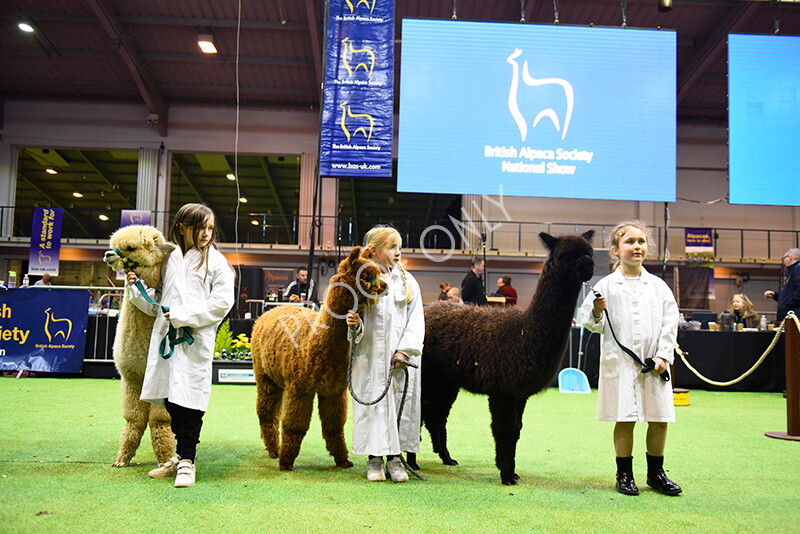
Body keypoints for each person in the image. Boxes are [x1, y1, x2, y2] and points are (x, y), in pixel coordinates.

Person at [127, 203, 235, 488]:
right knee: (169, 398)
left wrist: (183, 316)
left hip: (193, 341)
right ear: (182, 228)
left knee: (191, 399)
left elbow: (223, 302)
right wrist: (136, 289)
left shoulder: (216, 262)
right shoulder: (170, 258)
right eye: (202, 227)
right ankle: (180, 456)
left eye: (211, 228)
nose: (207, 234)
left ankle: (188, 460)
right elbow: (158, 301)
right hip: (166, 339)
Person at [580, 220, 682, 497]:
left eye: (641, 241)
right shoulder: (605, 285)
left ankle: (656, 474)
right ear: (615, 249)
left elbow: (670, 323)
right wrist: (598, 312)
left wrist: (663, 356)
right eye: (630, 242)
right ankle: (624, 474)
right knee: (624, 417)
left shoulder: (659, 286)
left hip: (653, 364)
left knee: (659, 418)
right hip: (620, 364)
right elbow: (588, 320)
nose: (637, 246)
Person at [345, 225, 425, 482]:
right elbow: (358, 319)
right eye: (392, 247)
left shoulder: (408, 282)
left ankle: (395, 459)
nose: (398, 252)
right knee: (373, 404)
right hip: (370, 355)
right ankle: (374, 459)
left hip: (398, 359)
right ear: (374, 251)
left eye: (399, 247)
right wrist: (354, 324)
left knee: (400, 404)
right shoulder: (362, 283)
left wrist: (405, 351)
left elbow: (416, 321)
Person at [764, 248, 800, 321]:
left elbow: (799, 289)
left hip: (794, 315)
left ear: (790, 257)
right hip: (790, 315)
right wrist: (775, 295)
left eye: (783, 258)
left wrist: (788, 304)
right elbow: (790, 293)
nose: (783, 261)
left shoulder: (798, 269)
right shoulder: (792, 271)